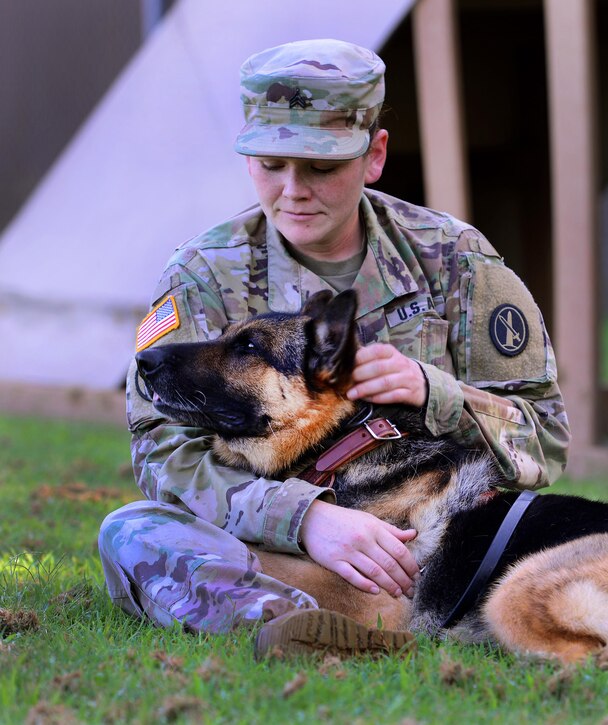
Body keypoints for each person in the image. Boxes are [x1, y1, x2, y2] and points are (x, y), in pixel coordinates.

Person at [98, 39, 569, 653]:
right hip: (275, 534)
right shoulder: (202, 275)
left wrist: (438, 393)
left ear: (374, 156)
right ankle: (309, 623)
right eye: (271, 164)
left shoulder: (457, 261)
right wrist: (304, 519)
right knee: (133, 530)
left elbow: (547, 445)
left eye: (321, 167)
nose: (293, 189)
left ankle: (363, 616)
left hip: (427, 543)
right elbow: (162, 455)